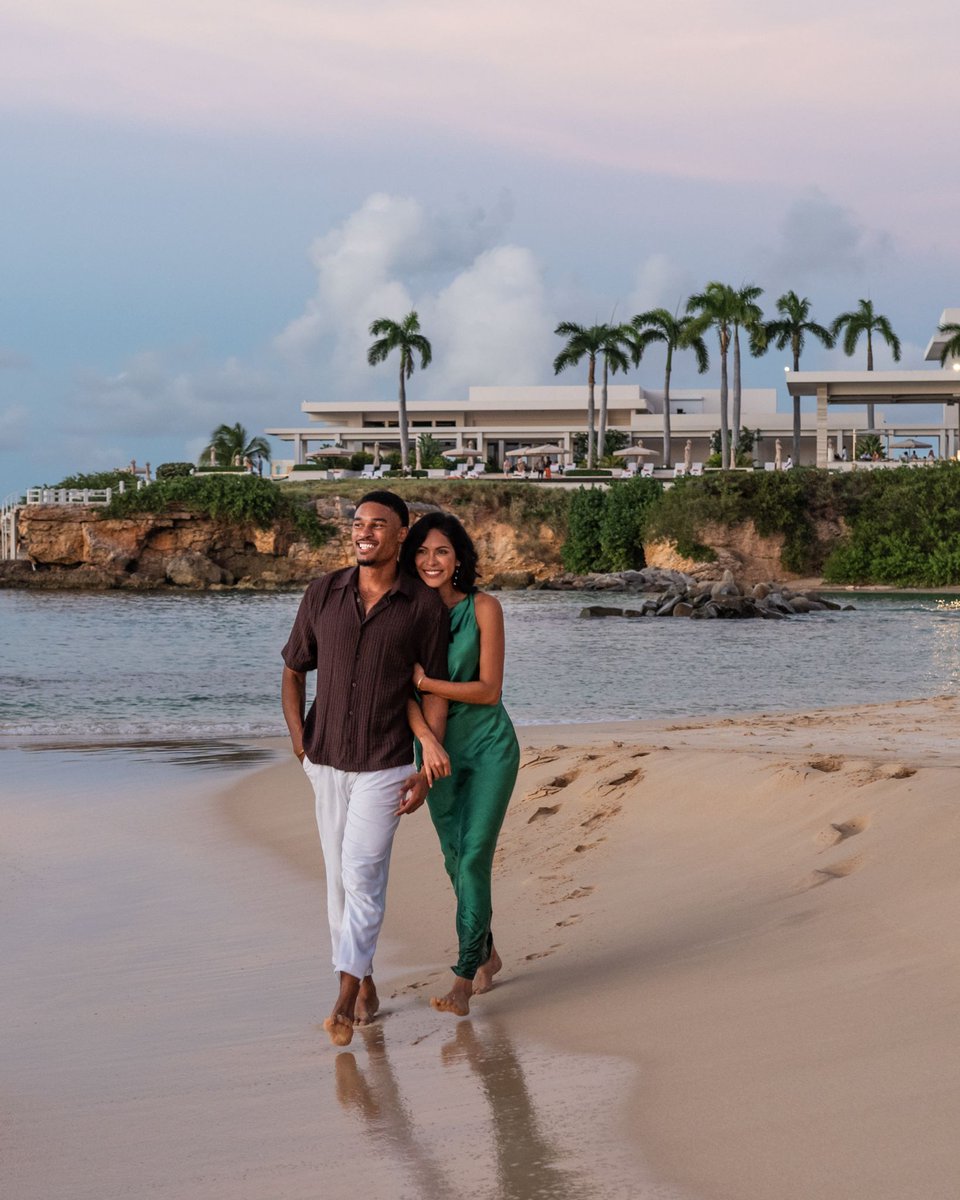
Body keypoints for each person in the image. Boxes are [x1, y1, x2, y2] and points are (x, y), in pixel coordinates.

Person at [281, 491, 450, 1047]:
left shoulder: (423, 607)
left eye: (379, 524)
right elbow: (293, 670)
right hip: (325, 760)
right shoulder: (322, 593)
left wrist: (426, 770)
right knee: (338, 882)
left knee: (362, 874)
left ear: (402, 534)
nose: (365, 532)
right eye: (358, 523)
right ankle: (367, 978)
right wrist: (300, 743)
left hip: (386, 763)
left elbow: (435, 694)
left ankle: (344, 996)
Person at [399, 512, 520, 1018]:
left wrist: (425, 684)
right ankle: (488, 950)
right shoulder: (404, 612)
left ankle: (464, 977)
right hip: (435, 747)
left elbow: (489, 690)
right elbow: (398, 692)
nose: (431, 561)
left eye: (442, 551)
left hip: (490, 746)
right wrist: (425, 736)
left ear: (458, 559)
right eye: (423, 552)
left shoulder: (484, 607)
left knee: (473, 858)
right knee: (454, 858)